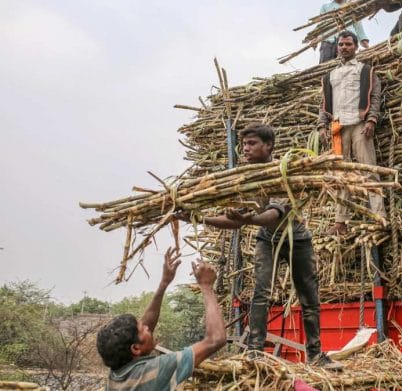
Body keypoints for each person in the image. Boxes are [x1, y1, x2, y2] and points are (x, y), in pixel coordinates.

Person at [175, 123, 343, 371]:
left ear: (269, 146)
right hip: (267, 238)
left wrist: (247, 220)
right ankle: (254, 351)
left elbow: (274, 214)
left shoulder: (282, 172)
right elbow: (233, 221)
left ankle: (316, 354)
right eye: (244, 144)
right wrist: (196, 218)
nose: (246, 149)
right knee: (260, 293)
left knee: (309, 298)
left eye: (252, 143)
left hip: (297, 239)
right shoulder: (247, 179)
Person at [96, 248, 226, 390]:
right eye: (142, 329)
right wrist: (206, 286)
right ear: (135, 348)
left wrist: (164, 282)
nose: (148, 327)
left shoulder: (116, 375)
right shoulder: (155, 372)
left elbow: (145, 326)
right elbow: (215, 339)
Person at [317, 30, 386, 236]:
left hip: (359, 124)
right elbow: (323, 103)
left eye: (348, 44)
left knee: (368, 169)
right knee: (341, 175)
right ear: (337, 48)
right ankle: (341, 222)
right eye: (341, 45)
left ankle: (379, 217)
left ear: (355, 47)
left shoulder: (366, 71)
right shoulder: (330, 76)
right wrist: (322, 125)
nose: (344, 47)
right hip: (338, 127)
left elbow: (375, 97)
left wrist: (372, 119)